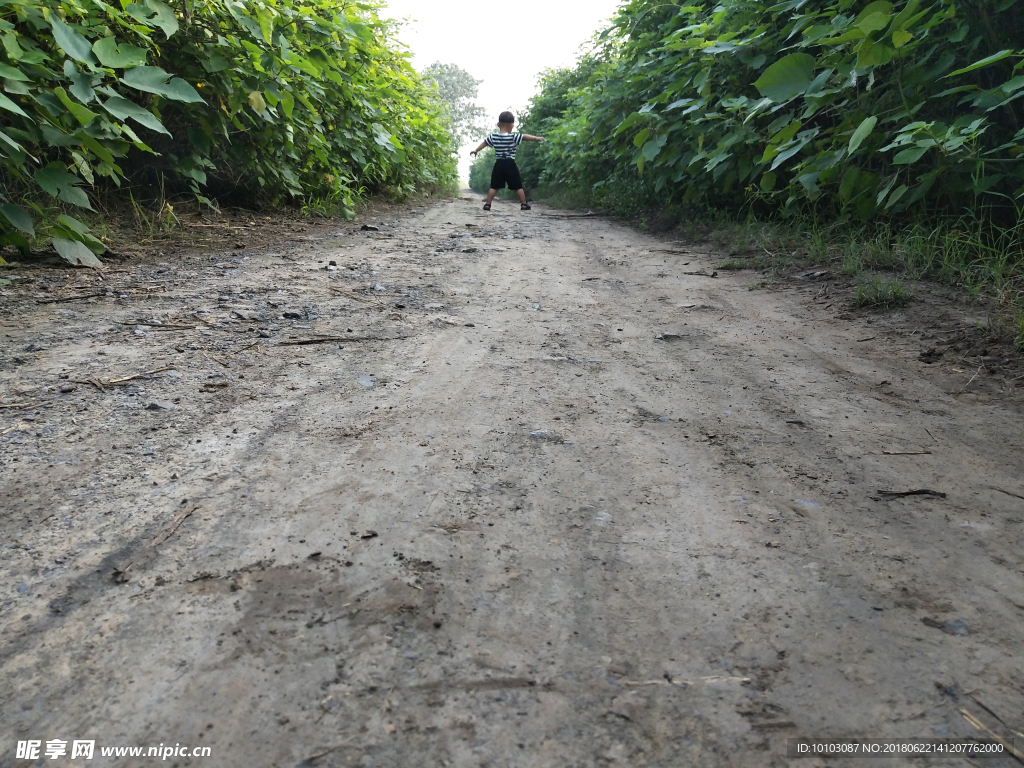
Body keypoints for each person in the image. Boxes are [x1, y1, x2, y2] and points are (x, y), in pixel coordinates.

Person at [469, 111, 544, 211]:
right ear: (512, 125)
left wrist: (476, 150)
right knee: (517, 185)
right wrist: (536, 138)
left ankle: (487, 204)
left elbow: (485, 143)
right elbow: (524, 137)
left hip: (499, 164)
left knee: (494, 186)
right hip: (510, 164)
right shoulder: (513, 137)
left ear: (498, 124)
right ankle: (523, 204)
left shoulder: (494, 136)